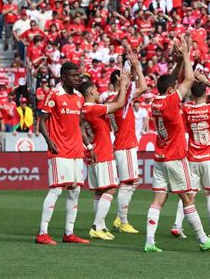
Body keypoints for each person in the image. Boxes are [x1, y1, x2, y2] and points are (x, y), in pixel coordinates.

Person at [144, 37, 210, 252]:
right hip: (175, 157)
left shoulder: (156, 101)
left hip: (160, 157)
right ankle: (203, 239)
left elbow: (171, 80)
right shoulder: (172, 101)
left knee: (158, 199)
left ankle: (150, 241)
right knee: (188, 198)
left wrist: (179, 60)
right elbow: (189, 78)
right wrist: (188, 55)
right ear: (172, 90)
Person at [36, 62, 91, 245]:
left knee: (75, 191)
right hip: (59, 150)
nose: (78, 78)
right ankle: (42, 233)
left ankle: (69, 233)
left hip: (76, 151)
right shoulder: (54, 94)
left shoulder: (79, 97)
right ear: (64, 77)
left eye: (79, 75)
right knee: (56, 189)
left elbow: (80, 124)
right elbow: (42, 120)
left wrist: (89, 146)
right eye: (74, 76)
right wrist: (48, 140)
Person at [171, 71, 210, 239]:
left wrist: (190, 85)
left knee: (189, 195)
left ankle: (177, 225)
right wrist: (207, 81)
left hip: (192, 157)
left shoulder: (187, 109)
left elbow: (180, 98)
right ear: (206, 93)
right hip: (209, 157)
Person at [79, 70, 130, 241]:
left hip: (93, 152)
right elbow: (120, 103)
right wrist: (123, 83)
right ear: (91, 92)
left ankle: (101, 226)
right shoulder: (94, 108)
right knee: (111, 188)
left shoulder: (83, 109)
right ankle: (96, 225)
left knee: (100, 191)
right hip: (102, 152)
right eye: (97, 91)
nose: (99, 93)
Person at [107, 53, 147, 234]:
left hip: (122, 142)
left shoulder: (111, 99)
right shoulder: (119, 99)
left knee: (133, 182)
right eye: (124, 76)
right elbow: (144, 87)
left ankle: (119, 216)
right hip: (125, 143)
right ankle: (122, 221)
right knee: (127, 183)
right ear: (118, 79)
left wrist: (133, 69)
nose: (128, 78)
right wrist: (137, 67)